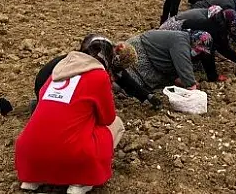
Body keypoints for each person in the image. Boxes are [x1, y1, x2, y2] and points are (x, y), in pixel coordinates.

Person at [15, 36, 125, 194]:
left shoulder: (57, 73)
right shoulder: (99, 76)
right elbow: (107, 118)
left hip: (28, 153)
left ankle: (33, 178)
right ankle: (80, 181)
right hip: (71, 155)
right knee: (117, 125)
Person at [33, 35, 162, 112]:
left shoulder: (103, 52)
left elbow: (124, 78)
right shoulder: (92, 64)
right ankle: (40, 107)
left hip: (46, 82)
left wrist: (147, 96)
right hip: (46, 84)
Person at [160, 7, 236, 80]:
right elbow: (208, 52)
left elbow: (223, 47)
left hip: (173, 28)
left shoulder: (216, 23)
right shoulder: (213, 30)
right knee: (199, 54)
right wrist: (213, 76)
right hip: (171, 32)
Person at [123, 30, 212, 92]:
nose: (198, 53)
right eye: (198, 49)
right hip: (141, 50)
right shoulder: (181, 43)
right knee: (130, 82)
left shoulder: (184, 41)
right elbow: (184, 66)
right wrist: (191, 85)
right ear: (194, 41)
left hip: (152, 58)